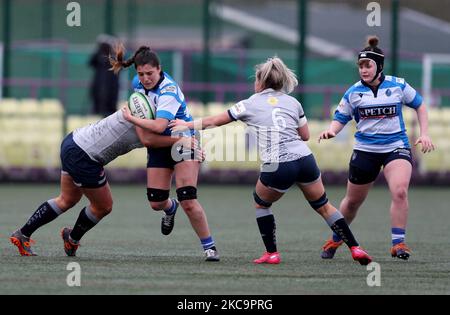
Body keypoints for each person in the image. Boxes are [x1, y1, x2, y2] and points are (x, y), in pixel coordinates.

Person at [169, 56, 372, 265]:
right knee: (324, 206)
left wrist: (187, 125)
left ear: (260, 81)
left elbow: (214, 121)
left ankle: (272, 253)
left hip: (279, 163)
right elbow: (305, 135)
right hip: (305, 159)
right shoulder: (293, 102)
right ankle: (355, 247)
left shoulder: (249, 104)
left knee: (261, 204)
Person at [9, 107, 197, 257]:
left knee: (66, 199)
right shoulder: (147, 115)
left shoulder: (152, 109)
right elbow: (149, 139)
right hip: (85, 156)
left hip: (74, 141)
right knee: (103, 206)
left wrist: (188, 135)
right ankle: (72, 239)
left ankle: (23, 234)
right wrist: (183, 139)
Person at [318, 36, 435, 261]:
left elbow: (420, 106)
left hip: (396, 146)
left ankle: (398, 244)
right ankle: (336, 237)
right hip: (365, 151)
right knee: (352, 202)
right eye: (360, 66)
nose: (363, 70)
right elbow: (340, 117)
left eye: (368, 65)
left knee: (400, 191)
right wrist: (332, 130)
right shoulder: (353, 92)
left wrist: (424, 133)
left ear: (379, 66)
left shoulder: (398, 85)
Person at [111, 44, 220, 262]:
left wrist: (131, 118)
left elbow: (160, 125)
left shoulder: (168, 90)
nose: (145, 78)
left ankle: (210, 247)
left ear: (160, 69)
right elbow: (151, 133)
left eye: (150, 73)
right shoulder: (137, 85)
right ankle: (170, 208)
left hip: (184, 141)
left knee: (188, 198)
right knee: (156, 202)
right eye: (141, 74)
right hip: (161, 144)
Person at [89, 35, 120, 117]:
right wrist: (99, 49)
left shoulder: (114, 58)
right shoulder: (99, 58)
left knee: (110, 110)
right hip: (99, 88)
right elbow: (91, 62)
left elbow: (120, 64)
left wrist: (113, 49)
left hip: (111, 89)